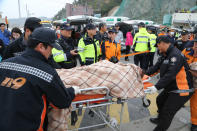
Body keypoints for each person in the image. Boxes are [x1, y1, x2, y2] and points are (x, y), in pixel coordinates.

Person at [0, 27, 80, 131]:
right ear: (41, 47)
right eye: (51, 48)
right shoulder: (45, 73)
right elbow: (62, 101)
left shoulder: (3, 64)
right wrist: (73, 90)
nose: (51, 53)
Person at [145, 36, 194, 131]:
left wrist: (156, 87)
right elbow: (155, 67)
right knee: (160, 100)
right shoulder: (165, 54)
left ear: (162, 43)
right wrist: (143, 74)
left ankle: (160, 127)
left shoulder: (175, 55)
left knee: (168, 111)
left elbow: (170, 74)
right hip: (172, 86)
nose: (157, 48)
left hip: (182, 89)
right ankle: (160, 119)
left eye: (158, 45)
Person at [182, 37, 197, 131]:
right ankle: (162, 116)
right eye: (196, 44)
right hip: (183, 83)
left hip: (195, 85)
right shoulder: (186, 51)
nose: (196, 47)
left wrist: (190, 70)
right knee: (171, 98)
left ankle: (195, 123)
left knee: (195, 104)